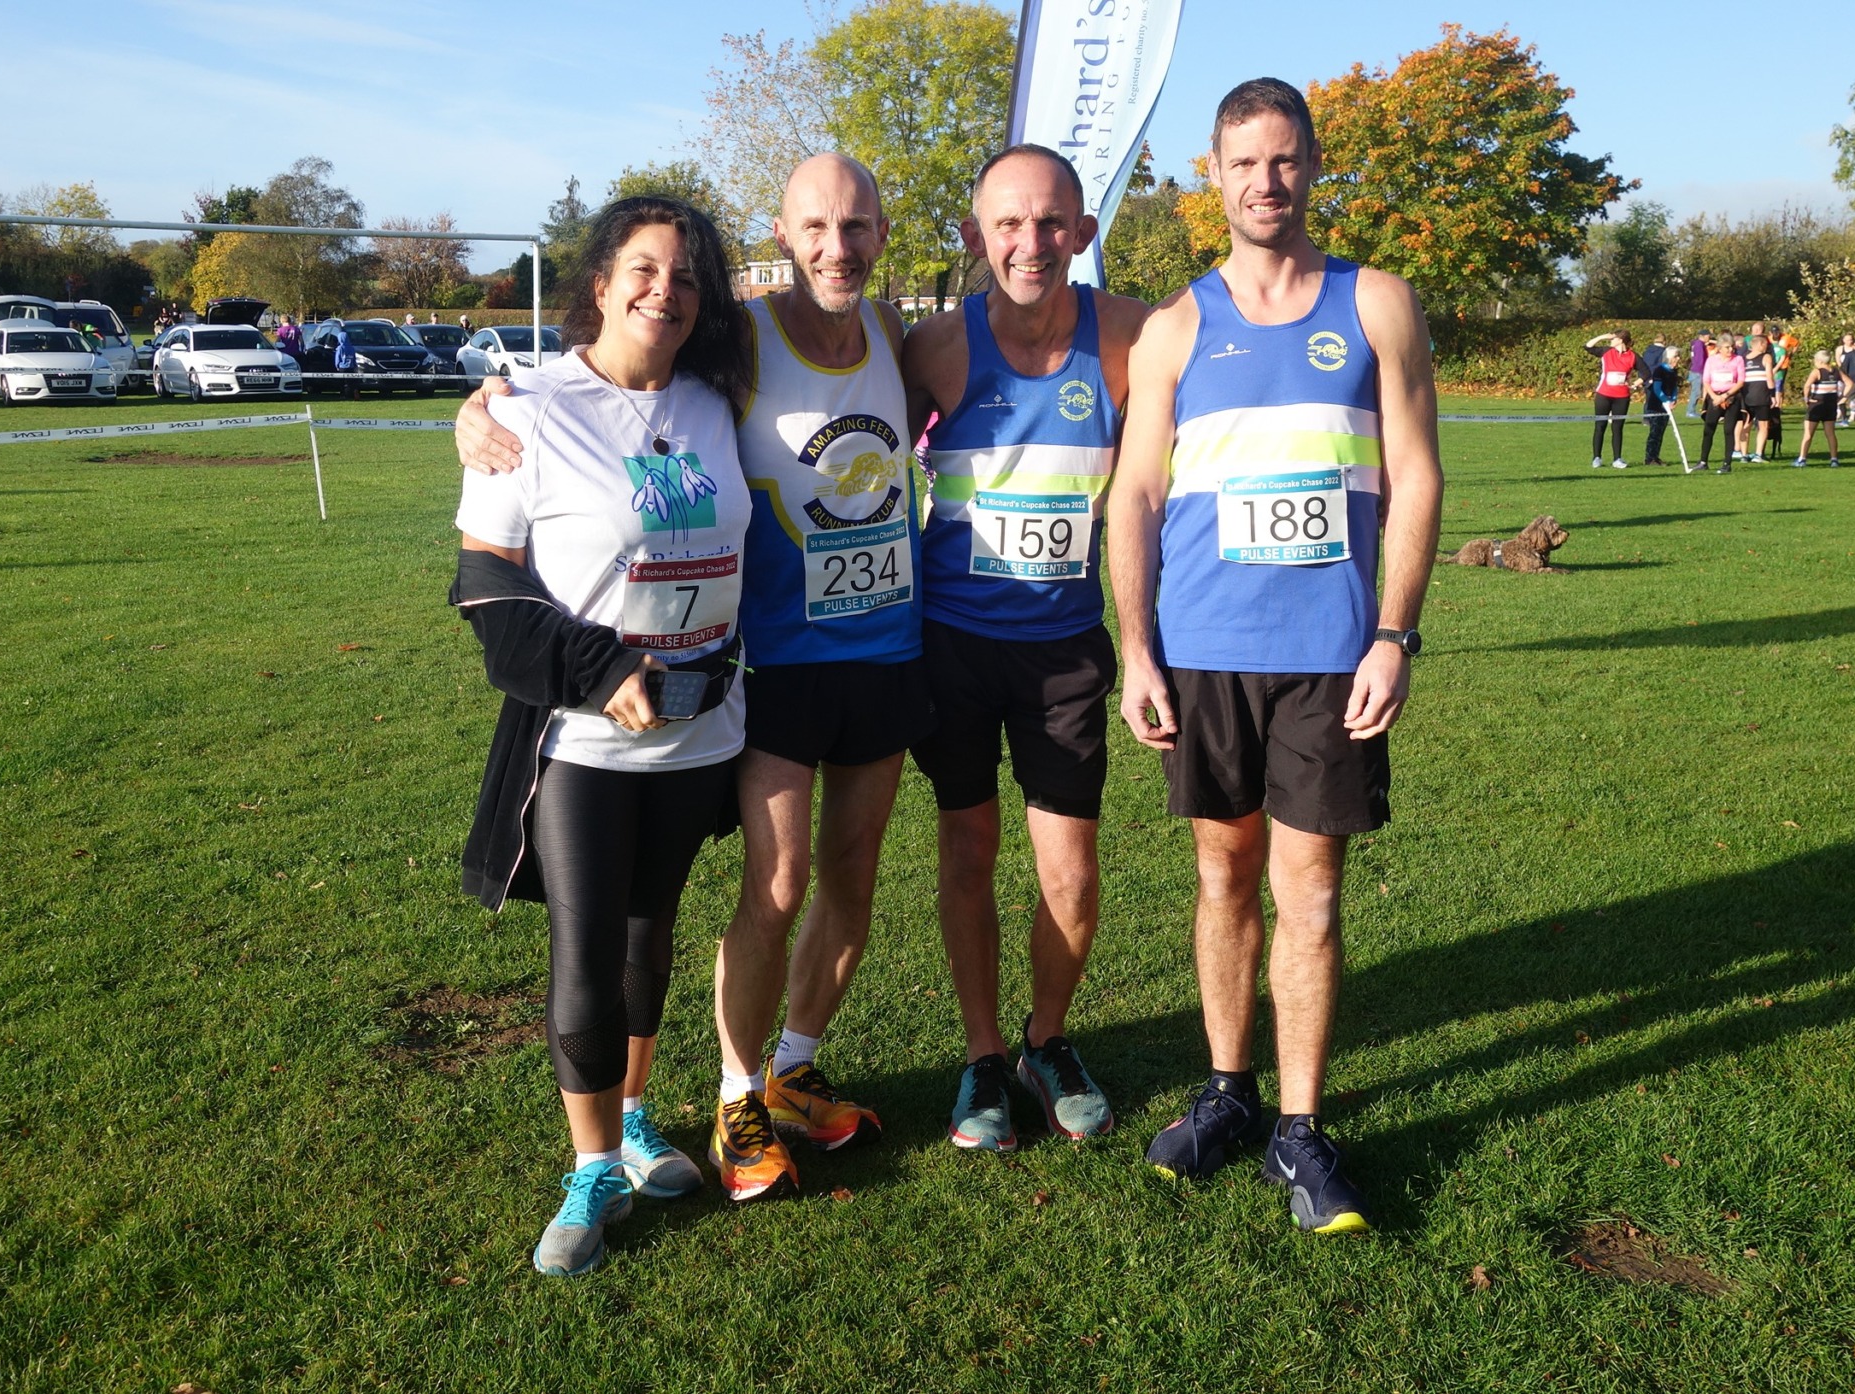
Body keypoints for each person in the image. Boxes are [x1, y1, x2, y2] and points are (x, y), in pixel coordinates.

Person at [455, 155, 929, 1204]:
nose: (836, 245)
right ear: (784, 232)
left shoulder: (889, 336)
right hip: (766, 669)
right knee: (777, 880)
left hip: (857, 662)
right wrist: (481, 403)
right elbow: (574, 418)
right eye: (815, 224)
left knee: (836, 881)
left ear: (882, 231)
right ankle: (723, 1098)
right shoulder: (740, 349)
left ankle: (790, 1068)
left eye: (857, 224)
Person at [1106, 78, 1442, 1233]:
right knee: (1222, 875)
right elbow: (1135, 492)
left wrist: (1395, 632)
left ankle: (1301, 1130)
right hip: (1204, 652)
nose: (1266, 181)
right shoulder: (1175, 327)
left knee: (1311, 886)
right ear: (1214, 173)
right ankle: (1227, 1093)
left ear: (1312, 166)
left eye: (1286, 159)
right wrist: (1137, 646)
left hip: (1330, 656)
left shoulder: (1379, 303)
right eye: (1244, 162)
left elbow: (1418, 477)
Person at [450, 196, 752, 1276]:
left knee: (647, 932)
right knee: (585, 952)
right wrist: (603, 670)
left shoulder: (721, 398)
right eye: (642, 268)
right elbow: (484, 583)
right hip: (584, 739)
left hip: (702, 731)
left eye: (683, 276)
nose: (662, 291)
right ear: (601, 278)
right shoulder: (526, 407)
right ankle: (589, 1168)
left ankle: (630, 1118)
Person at [900, 146, 1150, 1151]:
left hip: (1063, 651)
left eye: (1051, 223)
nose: (1030, 242)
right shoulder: (932, 348)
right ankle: (984, 1054)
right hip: (951, 646)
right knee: (967, 849)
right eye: (1008, 223)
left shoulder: (1133, 336)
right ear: (975, 237)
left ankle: (1049, 1039)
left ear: (1082, 233)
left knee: (1072, 875)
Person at [1585, 331, 1637, 468]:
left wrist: (1634, 384)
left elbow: (1646, 373)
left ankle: (1617, 459)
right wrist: (1601, 336)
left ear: (1621, 340)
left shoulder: (1632, 356)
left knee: (1617, 428)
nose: (1611, 341)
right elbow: (1588, 347)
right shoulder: (1606, 351)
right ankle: (1597, 458)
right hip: (1604, 395)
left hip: (1622, 397)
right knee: (1600, 426)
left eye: (1613, 339)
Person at [1697, 333, 1746, 474]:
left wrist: (1725, 395)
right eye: (1726, 347)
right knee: (1708, 429)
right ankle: (1703, 461)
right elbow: (1706, 380)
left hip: (1731, 397)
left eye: (1731, 347)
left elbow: (1740, 381)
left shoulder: (1738, 360)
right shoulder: (1712, 360)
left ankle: (1727, 463)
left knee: (1728, 430)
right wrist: (1714, 397)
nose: (1730, 350)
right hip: (1714, 397)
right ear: (1719, 348)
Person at [1734, 330, 1776, 463]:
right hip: (1761, 395)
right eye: (1765, 344)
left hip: (1746, 396)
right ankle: (1758, 454)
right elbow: (1769, 377)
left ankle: (1744, 455)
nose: (1767, 347)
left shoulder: (1742, 358)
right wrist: (1773, 395)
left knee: (1745, 425)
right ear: (1761, 344)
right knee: (1763, 425)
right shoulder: (1766, 357)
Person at [1795, 350, 1842, 467]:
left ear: (1819, 361)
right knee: (1830, 434)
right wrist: (1842, 397)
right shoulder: (1836, 371)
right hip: (1830, 405)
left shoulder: (1817, 372)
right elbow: (1850, 383)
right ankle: (1834, 459)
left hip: (1817, 404)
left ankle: (1802, 459)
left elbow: (1807, 385)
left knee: (1808, 434)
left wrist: (1806, 398)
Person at [1641, 336, 1679, 466]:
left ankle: (1656, 457)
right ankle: (1649, 458)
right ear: (1669, 357)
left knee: (1661, 432)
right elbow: (1657, 388)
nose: (1678, 359)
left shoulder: (1674, 371)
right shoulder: (1659, 370)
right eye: (1676, 356)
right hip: (1656, 405)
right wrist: (1664, 400)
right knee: (1655, 433)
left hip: (1667, 405)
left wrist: (1673, 399)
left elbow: (1674, 388)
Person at [1687, 331, 1711, 417]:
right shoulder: (1699, 345)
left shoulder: (1696, 344)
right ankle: (1690, 411)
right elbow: (1700, 360)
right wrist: (1704, 370)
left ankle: (1691, 410)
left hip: (1695, 370)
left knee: (1696, 391)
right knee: (1696, 392)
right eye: (1708, 335)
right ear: (1703, 336)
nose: (1709, 337)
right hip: (1698, 371)